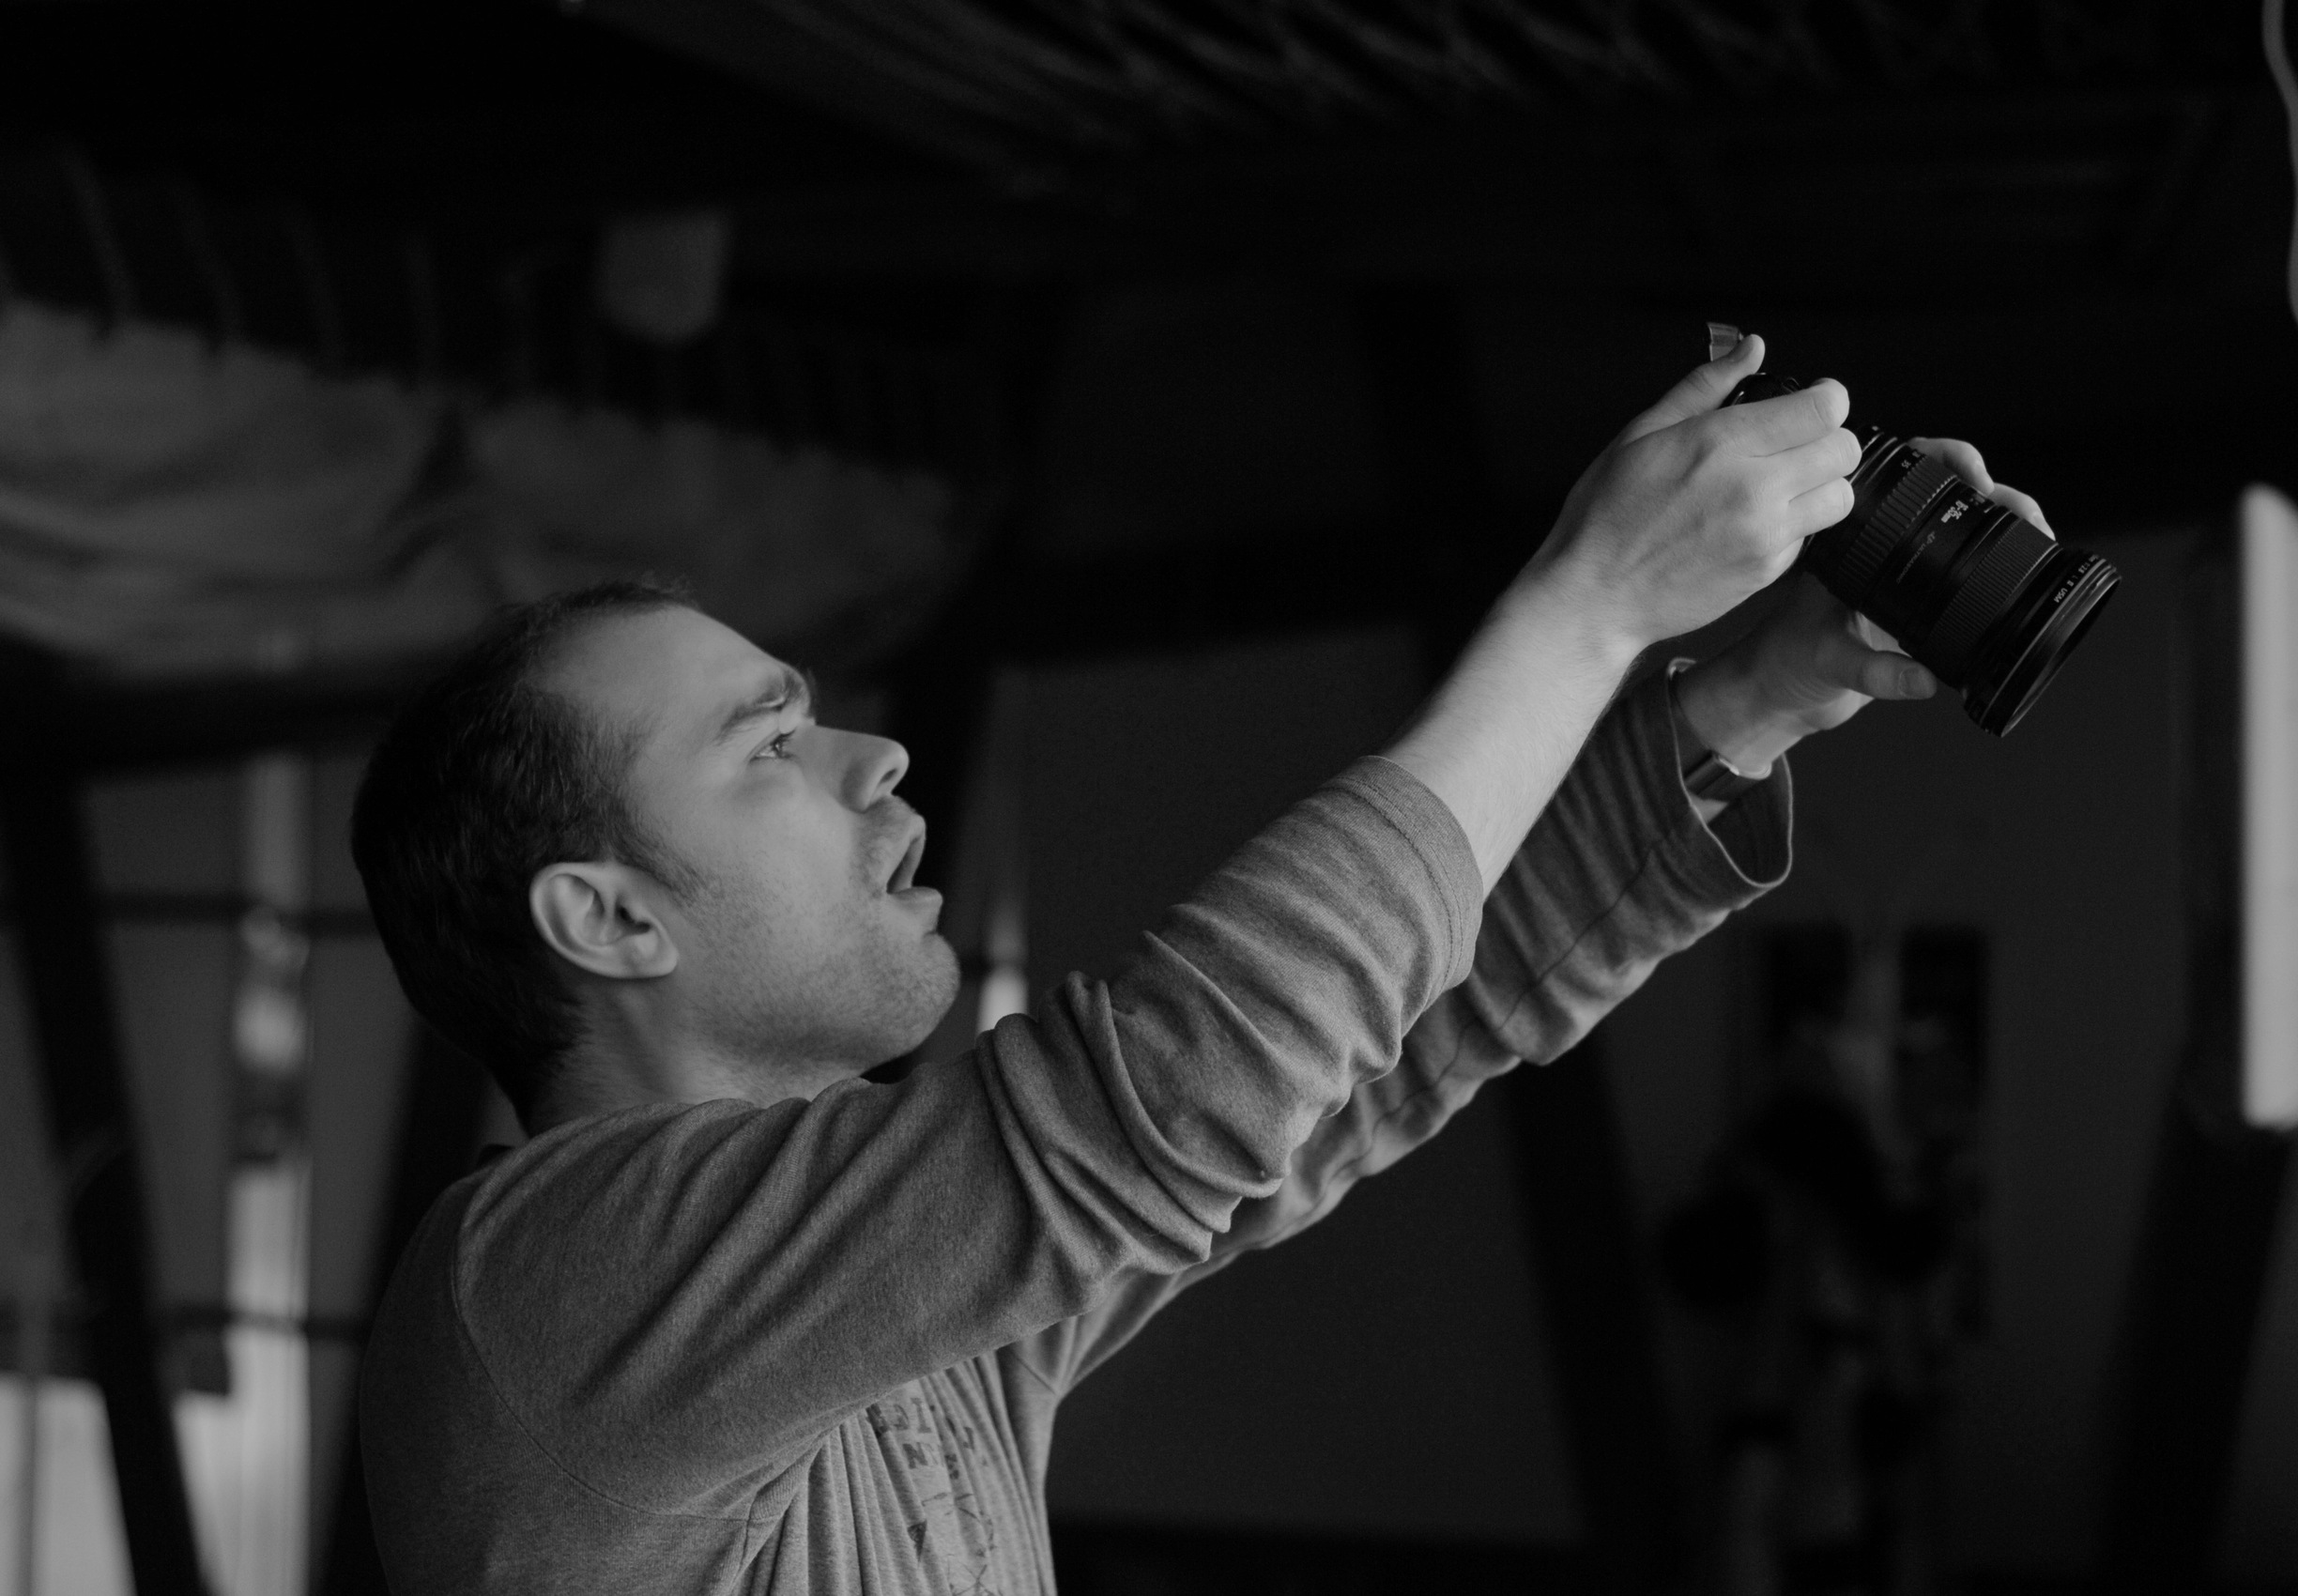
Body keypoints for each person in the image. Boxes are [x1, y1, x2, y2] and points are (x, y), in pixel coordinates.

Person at [348, 336, 2043, 1595]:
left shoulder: (888, 1304)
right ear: (610, 920)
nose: (875, 757)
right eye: (769, 745)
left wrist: (1749, 700)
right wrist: (1586, 604)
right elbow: (1186, 1087)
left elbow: (1351, 1059)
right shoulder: (537, 1291)